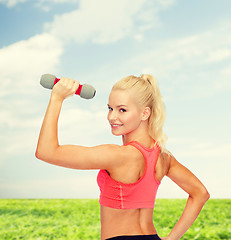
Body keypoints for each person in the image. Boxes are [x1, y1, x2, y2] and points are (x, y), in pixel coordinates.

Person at [36, 74, 210, 240]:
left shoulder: (119, 156)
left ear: (145, 113)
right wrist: (172, 238)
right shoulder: (163, 156)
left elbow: (46, 152)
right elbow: (200, 193)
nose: (112, 117)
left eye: (122, 110)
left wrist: (57, 98)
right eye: (110, 108)